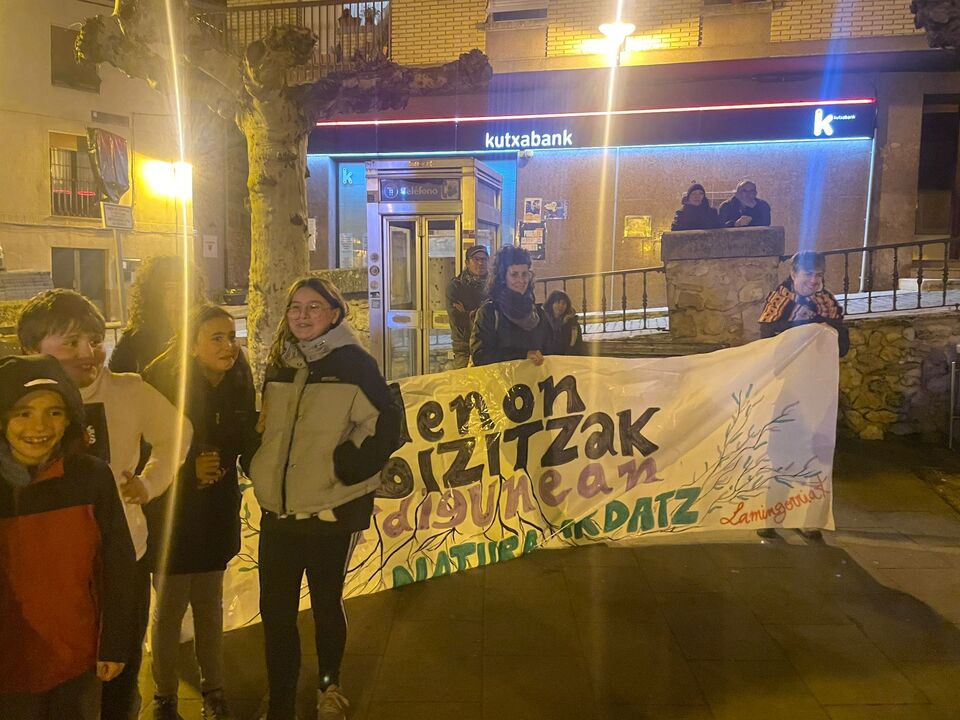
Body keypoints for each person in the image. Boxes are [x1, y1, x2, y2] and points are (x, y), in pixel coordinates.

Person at [17, 289, 191, 720]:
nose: (88, 353)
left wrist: (149, 483)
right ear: (32, 349)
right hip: (48, 568)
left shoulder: (128, 390)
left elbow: (177, 432)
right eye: (70, 342)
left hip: (122, 557)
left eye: (94, 340)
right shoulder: (18, 404)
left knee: (121, 674)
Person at [250, 276, 402, 720]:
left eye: (313, 307)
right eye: (295, 307)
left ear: (334, 314)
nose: (302, 315)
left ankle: (327, 687)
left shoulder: (355, 364)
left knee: (325, 605)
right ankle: (281, 697)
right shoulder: (280, 363)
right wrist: (253, 459)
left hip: (330, 511)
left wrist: (347, 467)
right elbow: (265, 426)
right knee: (275, 612)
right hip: (278, 511)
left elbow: (385, 423)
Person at [0, 355, 137, 720]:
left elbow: (118, 562)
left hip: (77, 661)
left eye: (54, 412)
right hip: (9, 667)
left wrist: (114, 643)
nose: (39, 426)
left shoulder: (90, 477)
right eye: (23, 412)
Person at [143, 305, 257, 720]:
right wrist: (186, 469)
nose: (229, 346)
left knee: (210, 605)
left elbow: (244, 441)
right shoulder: (161, 383)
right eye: (217, 338)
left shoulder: (239, 379)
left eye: (232, 336)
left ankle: (215, 690)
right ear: (192, 347)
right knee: (170, 610)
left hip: (215, 513)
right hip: (171, 517)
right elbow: (141, 449)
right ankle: (165, 696)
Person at [756, 251, 848, 542]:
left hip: (817, 390)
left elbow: (843, 345)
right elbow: (768, 337)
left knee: (815, 453)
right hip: (787, 389)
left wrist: (828, 328)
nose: (814, 281)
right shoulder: (780, 300)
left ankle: (808, 520)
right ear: (794, 274)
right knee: (781, 453)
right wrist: (809, 328)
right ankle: (772, 516)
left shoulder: (827, 302)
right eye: (808, 274)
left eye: (818, 275)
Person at [109, 255, 206, 374]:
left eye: (186, 287)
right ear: (155, 292)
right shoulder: (136, 338)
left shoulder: (208, 329)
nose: (180, 294)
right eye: (170, 288)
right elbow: (116, 377)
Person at [470, 244, 551, 367]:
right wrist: (523, 355)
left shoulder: (539, 314)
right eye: (514, 274)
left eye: (524, 274)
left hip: (535, 379)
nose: (521, 280)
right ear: (503, 277)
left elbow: (551, 351)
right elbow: (480, 356)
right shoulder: (490, 312)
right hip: (501, 379)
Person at [445, 244, 489, 369]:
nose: (480, 263)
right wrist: (480, 315)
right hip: (464, 347)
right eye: (476, 259)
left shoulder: (494, 285)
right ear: (467, 263)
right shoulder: (456, 286)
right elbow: (457, 319)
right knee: (463, 379)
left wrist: (468, 313)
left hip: (489, 346)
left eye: (484, 259)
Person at [543, 290, 585, 356]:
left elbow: (578, 346)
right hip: (547, 358)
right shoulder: (543, 322)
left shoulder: (573, 324)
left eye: (563, 303)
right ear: (551, 304)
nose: (560, 306)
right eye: (557, 302)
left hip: (567, 358)